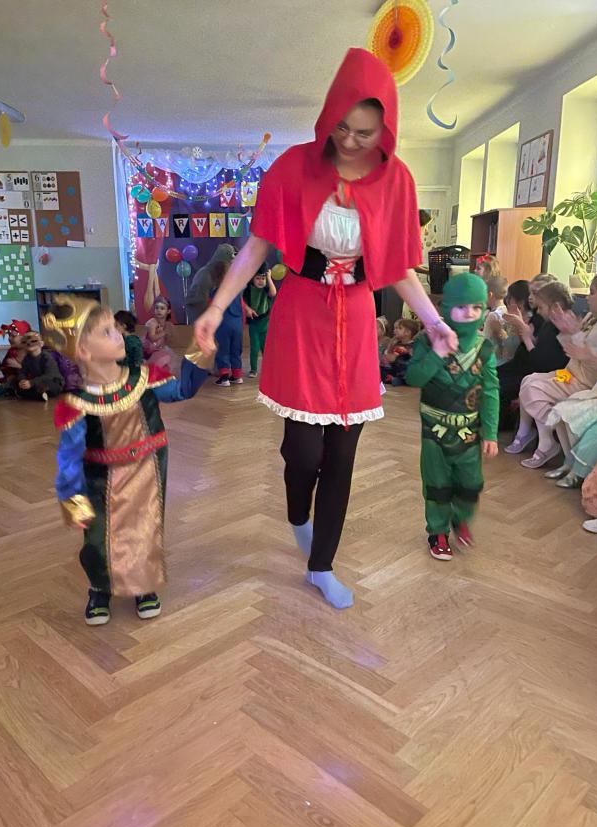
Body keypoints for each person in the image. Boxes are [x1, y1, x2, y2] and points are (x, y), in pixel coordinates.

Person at [194, 48, 457, 609]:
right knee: (303, 453)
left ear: (386, 129)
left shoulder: (397, 180)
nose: (351, 141)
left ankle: (322, 565)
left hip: (357, 317)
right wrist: (216, 308)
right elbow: (257, 247)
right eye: (342, 127)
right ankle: (297, 515)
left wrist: (433, 321)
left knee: (341, 456)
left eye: (365, 132)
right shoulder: (293, 167)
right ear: (329, 116)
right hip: (301, 314)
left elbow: (399, 268)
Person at [44, 295, 211, 626]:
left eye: (115, 328)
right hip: (99, 479)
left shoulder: (143, 378)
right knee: (98, 537)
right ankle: (99, 588)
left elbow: (182, 390)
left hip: (148, 471)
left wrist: (200, 351)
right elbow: (69, 457)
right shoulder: (77, 403)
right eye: (107, 332)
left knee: (145, 529)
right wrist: (73, 500)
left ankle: (143, 585)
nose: (119, 334)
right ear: (84, 351)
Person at [405, 273, 499, 560]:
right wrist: (436, 353)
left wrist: (491, 433)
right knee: (437, 485)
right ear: (447, 307)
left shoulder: (484, 348)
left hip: (469, 433)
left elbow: (491, 391)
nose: (469, 313)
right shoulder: (426, 340)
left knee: (471, 485)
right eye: (461, 306)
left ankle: (461, 519)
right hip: (434, 433)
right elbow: (414, 378)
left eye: (476, 307)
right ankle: (438, 532)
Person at [511, 274, 597, 469]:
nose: (587, 297)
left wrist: (580, 344)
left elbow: (587, 355)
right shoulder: (591, 318)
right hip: (571, 373)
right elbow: (575, 347)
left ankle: (548, 443)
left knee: (532, 389)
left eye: (592, 293)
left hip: (584, 382)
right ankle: (545, 441)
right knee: (528, 380)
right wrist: (568, 331)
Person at [498, 275, 567, 431]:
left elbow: (540, 360)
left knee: (501, 384)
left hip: (534, 370)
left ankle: (504, 426)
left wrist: (525, 334)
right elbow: (535, 344)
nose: (530, 297)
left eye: (536, 293)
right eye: (530, 292)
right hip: (523, 364)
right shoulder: (538, 317)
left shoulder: (550, 323)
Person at [186, 244, 236, 322]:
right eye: (229, 263)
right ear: (221, 263)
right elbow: (197, 303)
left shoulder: (220, 275)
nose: (231, 266)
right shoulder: (205, 275)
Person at [244, 263, 277, 378]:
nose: (260, 281)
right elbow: (243, 303)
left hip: (265, 322)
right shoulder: (248, 290)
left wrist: (269, 278)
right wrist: (247, 309)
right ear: (252, 279)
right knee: (255, 347)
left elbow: (273, 293)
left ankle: (268, 368)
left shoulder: (266, 289)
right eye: (257, 278)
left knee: (265, 348)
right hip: (254, 323)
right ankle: (253, 369)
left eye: (263, 278)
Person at [16, 331, 64, 401]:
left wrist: (32, 382)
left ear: (41, 344)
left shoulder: (46, 357)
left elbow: (50, 375)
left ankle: (39, 393)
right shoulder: (27, 359)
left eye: (33, 341)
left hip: (53, 382)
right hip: (37, 382)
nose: (28, 343)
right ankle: (40, 394)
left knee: (47, 385)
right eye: (25, 341)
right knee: (19, 386)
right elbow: (22, 372)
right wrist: (22, 380)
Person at [143, 295, 178, 373]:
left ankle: (162, 375)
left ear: (168, 311)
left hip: (159, 348)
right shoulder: (152, 323)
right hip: (148, 351)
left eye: (162, 308)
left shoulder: (168, 325)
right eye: (157, 308)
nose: (159, 310)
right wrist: (164, 332)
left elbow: (169, 340)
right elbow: (152, 338)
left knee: (168, 362)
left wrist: (168, 336)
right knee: (164, 358)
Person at [380, 317, 419, 385]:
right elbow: (388, 357)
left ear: (407, 332)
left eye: (399, 328)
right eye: (395, 328)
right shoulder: (396, 343)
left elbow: (392, 358)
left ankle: (398, 380)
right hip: (395, 370)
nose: (395, 330)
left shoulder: (413, 346)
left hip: (406, 373)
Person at [483, 276, 510, 366]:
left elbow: (485, 339)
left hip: (493, 360)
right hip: (504, 360)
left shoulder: (492, 316)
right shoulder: (507, 310)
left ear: (490, 295)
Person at [0, 319, 31, 384]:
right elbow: (4, 368)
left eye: (13, 336)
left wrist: (19, 366)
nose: (9, 338)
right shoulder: (12, 351)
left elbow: (37, 373)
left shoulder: (32, 352)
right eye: (9, 335)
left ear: (25, 337)